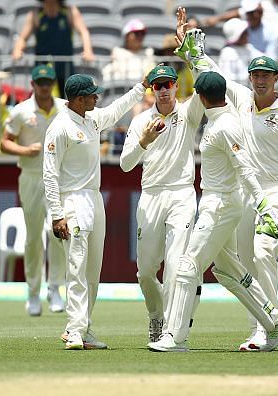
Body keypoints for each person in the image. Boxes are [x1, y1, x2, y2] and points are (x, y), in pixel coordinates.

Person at [175, 11, 278, 351]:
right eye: (256, 75)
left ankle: (267, 330)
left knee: (264, 252)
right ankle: (264, 325)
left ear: (276, 77)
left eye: (266, 75)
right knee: (244, 259)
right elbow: (210, 73)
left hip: (272, 190)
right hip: (243, 192)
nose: (260, 80)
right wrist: (187, 43)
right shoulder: (240, 98)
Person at [147, 70, 278, 353]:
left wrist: (265, 208)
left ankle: (174, 337)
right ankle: (274, 320)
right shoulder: (225, 120)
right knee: (227, 270)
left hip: (220, 205)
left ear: (200, 98)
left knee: (188, 266)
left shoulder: (223, 126)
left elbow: (245, 169)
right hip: (220, 202)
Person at [43, 74, 148, 350]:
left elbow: (115, 111)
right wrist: (57, 214)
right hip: (72, 201)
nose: (96, 97)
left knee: (92, 270)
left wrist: (141, 87)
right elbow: (50, 175)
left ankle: (83, 326)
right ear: (78, 99)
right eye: (91, 95)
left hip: (93, 198)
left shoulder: (90, 119)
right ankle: (74, 330)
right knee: (76, 267)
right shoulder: (60, 127)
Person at [120, 64, 205, 344]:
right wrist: (144, 141)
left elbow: (206, 80)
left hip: (182, 193)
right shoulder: (140, 121)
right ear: (152, 90)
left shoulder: (189, 112)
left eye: (169, 84)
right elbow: (125, 164)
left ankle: (171, 328)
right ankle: (156, 315)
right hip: (151, 195)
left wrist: (191, 53)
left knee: (174, 264)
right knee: (145, 272)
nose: (164, 90)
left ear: (177, 86)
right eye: (158, 86)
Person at [0, 64, 66, 316]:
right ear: (33, 84)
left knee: (57, 232)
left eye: (49, 82)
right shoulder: (20, 111)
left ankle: (54, 288)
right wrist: (25, 151)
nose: (45, 87)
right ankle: (32, 292)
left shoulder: (64, 108)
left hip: (58, 179)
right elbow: (5, 142)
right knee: (33, 237)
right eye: (41, 83)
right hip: (31, 177)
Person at [12, 0, 95, 98]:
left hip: (64, 67)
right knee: (41, 99)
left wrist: (88, 50)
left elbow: (84, 32)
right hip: (42, 67)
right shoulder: (36, 14)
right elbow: (22, 38)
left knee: (68, 100)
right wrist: (17, 49)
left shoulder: (69, 11)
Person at [203, 0, 278, 57]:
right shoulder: (263, 4)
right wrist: (216, 19)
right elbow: (239, 13)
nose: (254, 15)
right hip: (260, 40)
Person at [219, 18, 264, 85]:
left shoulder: (248, 48)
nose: (247, 35)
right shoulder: (227, 52)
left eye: (246, 32)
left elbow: (264, 59)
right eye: (244, 33)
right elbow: (228, 78)